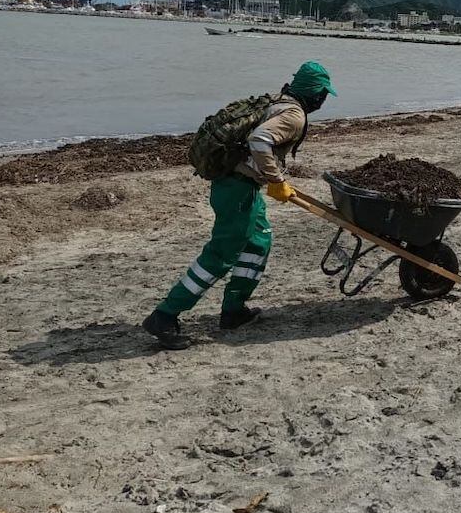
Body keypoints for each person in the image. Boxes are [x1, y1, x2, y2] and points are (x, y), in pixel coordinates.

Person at [141, 61, 338, 349]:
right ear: (314, 92)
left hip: (242, 185)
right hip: (235, 188)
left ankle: (234, 311)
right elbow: (259, 140)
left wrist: (270, 181)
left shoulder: (280, 101)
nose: (323, 100)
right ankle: (165, 315)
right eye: (322, 93)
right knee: (221, 254)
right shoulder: (294, 115)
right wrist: (276, 179)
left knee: (258, 243)